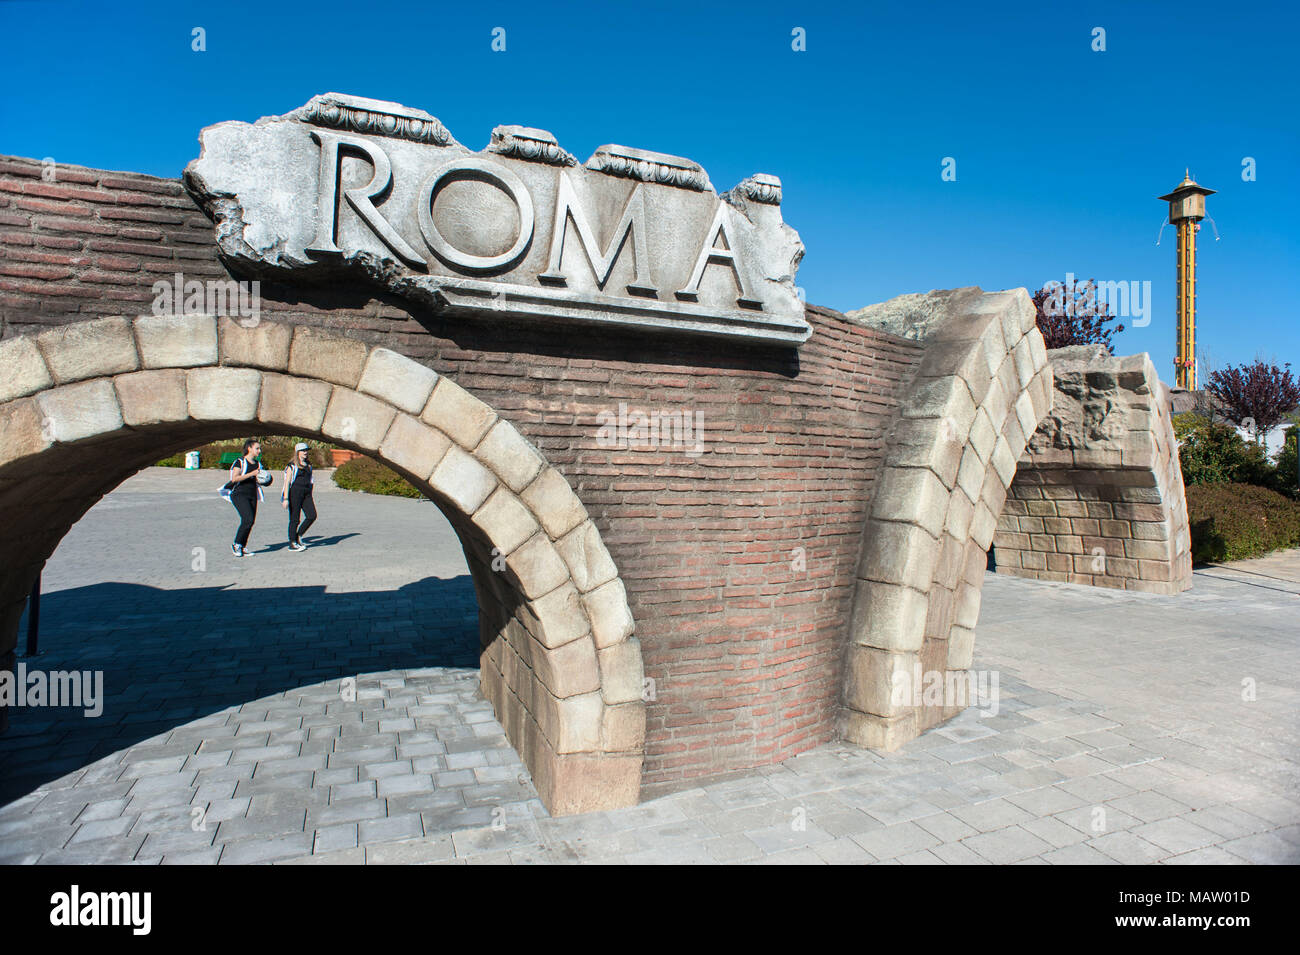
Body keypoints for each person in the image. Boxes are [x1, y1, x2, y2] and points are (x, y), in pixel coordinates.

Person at [228, 439, 266, 557]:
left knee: (251, 521)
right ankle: (236, 544)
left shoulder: (258, 464)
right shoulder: (240, 461)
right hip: (239, 494)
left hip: (252, 494)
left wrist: (265, 479)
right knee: (247, 519)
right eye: (257, 448)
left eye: (260, 448)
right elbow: (234, 479)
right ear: (249, 448)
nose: (259, 451)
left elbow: (260, 479)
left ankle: (242, 546)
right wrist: (252, 474)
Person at [282, 442, 317, 551]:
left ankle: (298, 535)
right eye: (303, 450)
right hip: (294, 494)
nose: (305, 452)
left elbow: (311, 480)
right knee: (294, 519)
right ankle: (292, 543)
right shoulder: (292, 466)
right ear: (297, 452)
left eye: (306, 450)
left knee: (312, 515)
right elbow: (287, 482)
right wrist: (286, 498)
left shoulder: (309, 465)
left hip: (306, 494)